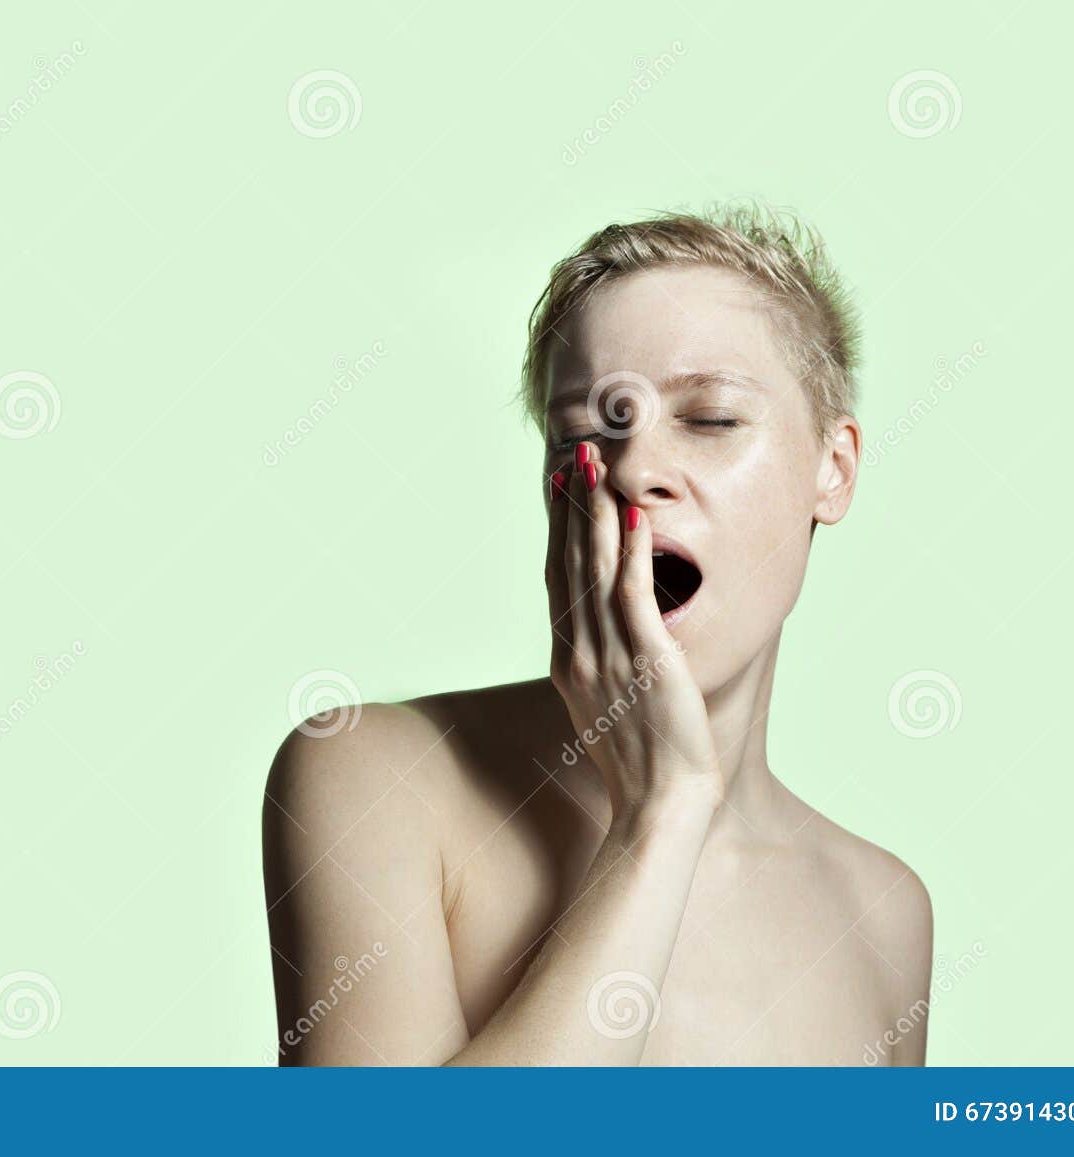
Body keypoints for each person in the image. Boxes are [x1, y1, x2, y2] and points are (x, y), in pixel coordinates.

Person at [261, 201, 933, 1065]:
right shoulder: (375, 772)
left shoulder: (883, 909)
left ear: (831, 468)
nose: (636, 469)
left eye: (711, 418)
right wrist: (661, 813)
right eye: (585, 432)